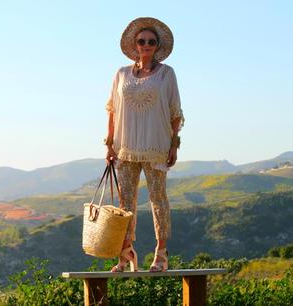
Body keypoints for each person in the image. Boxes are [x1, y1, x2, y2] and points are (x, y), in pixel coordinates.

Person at [104, 17, 184, 272]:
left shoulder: (166, 74)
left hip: (156, 146)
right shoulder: (121, 74)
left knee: (158, 198)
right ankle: (125, 253)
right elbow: (112, 111)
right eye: (142, 41)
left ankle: (161, 254)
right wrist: (109, 144)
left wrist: (174, 145)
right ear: (134, 45)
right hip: (125, 147)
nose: (146, 44)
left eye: (151, 41)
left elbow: (175, 113)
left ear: (157, 45)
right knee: (125, 203)